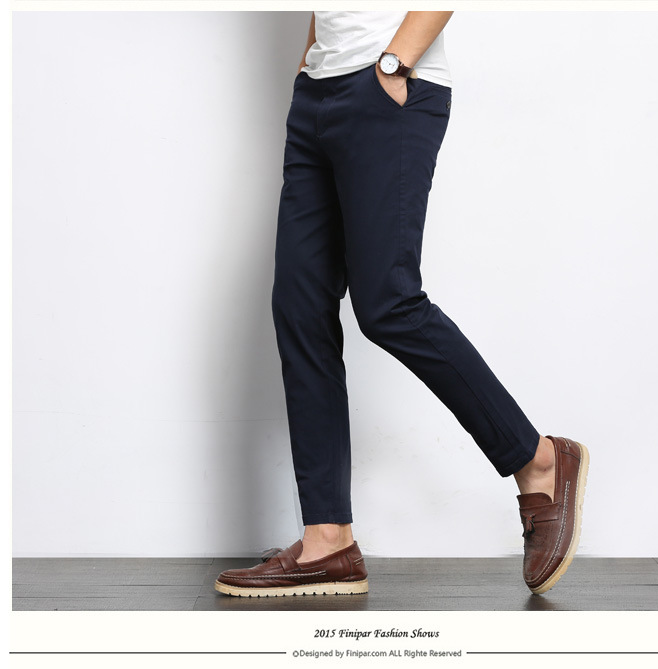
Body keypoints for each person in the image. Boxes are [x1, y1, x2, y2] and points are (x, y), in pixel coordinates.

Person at [215, 10, 589, 598]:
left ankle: (538, 460)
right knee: (299, 308)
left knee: (388, 302)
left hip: (389, 86)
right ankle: (328, 540)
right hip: (317, 93)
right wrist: (311, 63)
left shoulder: (393, 75)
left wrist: (393, 64)